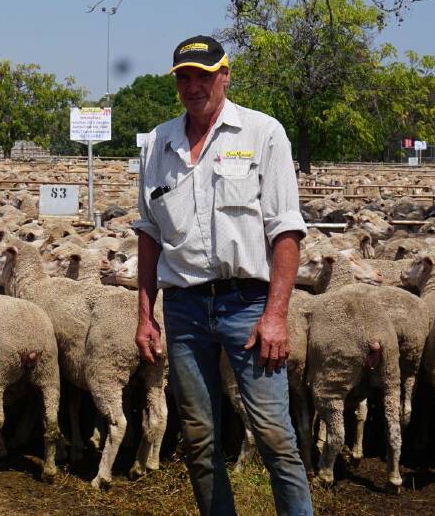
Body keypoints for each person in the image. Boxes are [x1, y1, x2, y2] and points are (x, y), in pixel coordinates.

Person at [133, 36, 313, 516]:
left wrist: (276, 315)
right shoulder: (157, 144)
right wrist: (144, 314)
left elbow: (286, 229)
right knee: (200, 437)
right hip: (186, 309)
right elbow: (149, 233)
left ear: (225, 76)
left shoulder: (262, 133)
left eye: (204, 75)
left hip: (248, 304)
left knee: (275, 435)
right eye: (184, 77)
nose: (194, 86)